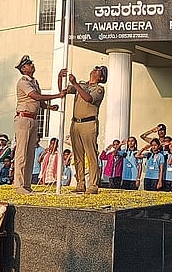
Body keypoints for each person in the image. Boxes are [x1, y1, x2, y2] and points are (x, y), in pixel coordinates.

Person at [12, 55, 62, 194]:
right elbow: (36, 96)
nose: (32, 65)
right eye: (29, 64)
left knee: (30, 153)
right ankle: (19, 185)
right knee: (22, 153)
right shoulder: (23, 82)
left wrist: (49, 107)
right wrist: (57, 95)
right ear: (23, 68)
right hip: (24, 118)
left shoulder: (34, 81)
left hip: (33, 118)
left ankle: (26, 185)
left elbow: (39, 102)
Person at [60, 66, 106, 193]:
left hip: (89, 123)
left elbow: (89, 98)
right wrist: (60, 77)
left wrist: (75, 83)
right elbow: (63, 91)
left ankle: (93, 185)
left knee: (91, 155)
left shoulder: (99, 89)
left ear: (101, 77)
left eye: (98, 70)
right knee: (78, 155)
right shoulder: (82, 84)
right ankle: (80, 183)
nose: (94, 69)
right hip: (76, 122)